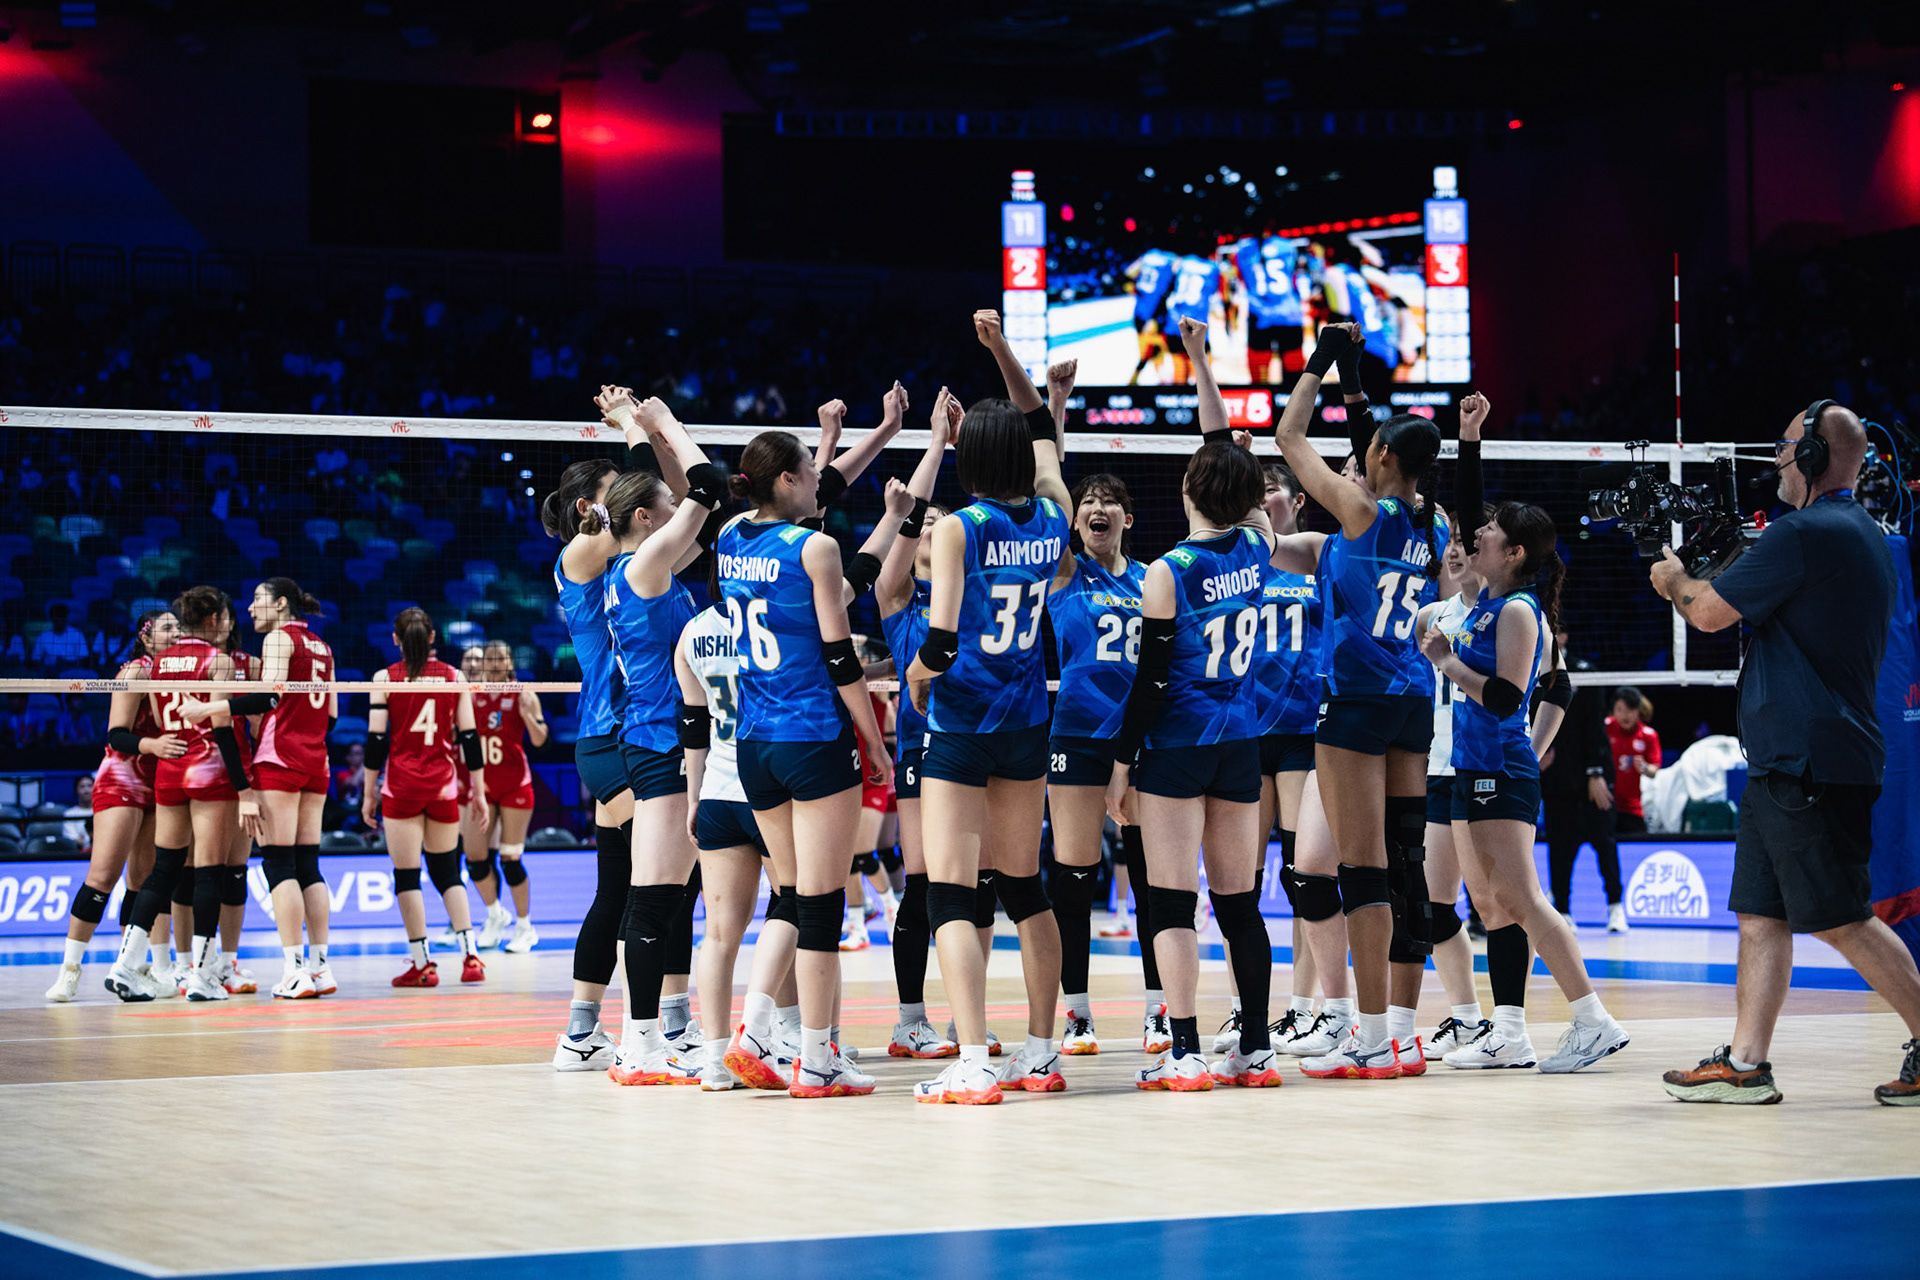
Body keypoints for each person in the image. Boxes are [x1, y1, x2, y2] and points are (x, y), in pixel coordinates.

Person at [1654, 400, 1920, 1106]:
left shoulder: (1807, 534)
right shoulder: (1853, 531)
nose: (1775, 457)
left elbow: (1708, 612)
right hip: (1791, 759)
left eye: (1786, 446)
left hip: (1811, 760)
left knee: (1842, 917)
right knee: (1762, 915)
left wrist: (1674, 579)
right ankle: (1746, 1063)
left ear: (1810, 458)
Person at [1104, 319, 1281, 1092]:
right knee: (1240, 904)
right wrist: (1206, 361)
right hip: (1240, 744)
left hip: (1175, 748)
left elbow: (1149, 683)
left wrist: (1119, 766)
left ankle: (1184, 1052)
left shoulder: (1167, 570)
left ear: (1185, 492)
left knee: (1172, 902)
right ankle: (1260, 1047)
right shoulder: (1261, 546)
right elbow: (1230, 460)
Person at [903, 310, 1070, 1106]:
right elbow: (1039, 425)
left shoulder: (962, 529)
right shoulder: (1055, 517)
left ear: (969, 456)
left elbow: (940, 641)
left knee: (952, 893)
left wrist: (914, 672)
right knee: (1026, 887)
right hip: (1028, 720)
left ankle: (973, 1058)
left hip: (965, 722)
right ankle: (1042, 1051)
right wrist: (1001, 349)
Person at [1272, 322, 1447, 1079]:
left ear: (1379, 459)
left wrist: (1317, 361)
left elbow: (1287, 436)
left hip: (1355, 705)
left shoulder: (1360, 513)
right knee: (1407, 864)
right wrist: (1352, 371)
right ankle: (1400, 1033)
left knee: (1364, 872)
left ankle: (1369, 1035)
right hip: (1413, 699)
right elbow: (1374, 440)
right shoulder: (1434, 524)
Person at [715, 413, 895, 1099]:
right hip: (815, 736)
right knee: (820, 908)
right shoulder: (815, 553)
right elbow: (840, 653)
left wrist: (862, 434)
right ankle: (816, 1059)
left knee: (789, 896)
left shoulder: (730, 537)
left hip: (755, 742)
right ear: (788, 480)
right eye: (812, 473)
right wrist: (873, 738)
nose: (822, 483)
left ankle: (756, 1028)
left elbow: (808, 507)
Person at [1424, 504, 1627, 1072]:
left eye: (1489, 531)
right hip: (1471, 766)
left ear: (1513, 553)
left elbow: (1508, 698)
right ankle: (1509, 1032)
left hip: (1499, 767)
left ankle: (1593, 1021)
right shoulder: (1487, 605)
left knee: (1524, 899)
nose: (1477, 535)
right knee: (1498, 905)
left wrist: (1445, 661)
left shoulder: (1517, 610)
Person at [600, 399, 725, 1087]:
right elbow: (707, 490)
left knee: (670, 895)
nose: (676, 510)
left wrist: (639, 436)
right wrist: (663, 424)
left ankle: (650, 1036)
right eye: (662, 507)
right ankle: (637, 1041)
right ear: (645, 521)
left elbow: (694, 499)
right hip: (659, 747)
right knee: (652, 898)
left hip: (664, 742)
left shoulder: (647, 571)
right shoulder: (644, 570)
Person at [1042, 359, 1154, 1058]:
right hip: (1078, 736)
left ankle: (1157, 1009)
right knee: (1073, 879)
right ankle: (1077, 1012)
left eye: (1109, 501)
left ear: (1127, 519)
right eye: (1088, 502)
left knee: (1150, 878)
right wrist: (1055, 405)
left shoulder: (1153, 578)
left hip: (1142, 743)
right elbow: (1048, 492)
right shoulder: (1062, 570)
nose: (1096, 507)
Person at [180, 578, 338, 998]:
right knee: (308, 865)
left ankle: (293, 971)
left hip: (281, 759)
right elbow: (334, 715)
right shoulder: (323, 647)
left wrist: (208, 707)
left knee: (280, 866)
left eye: (258, 600)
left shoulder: (279, 640)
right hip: (316, 760)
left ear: (282, 604)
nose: (251, 609)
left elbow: (268, 698)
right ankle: (321, 968)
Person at [105, 586, 264, 1003]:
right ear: (213, 620)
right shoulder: (220, 660)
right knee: (209, 872)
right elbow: (222, 727)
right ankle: (203, 975)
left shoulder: (155, 663)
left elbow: (159, 719)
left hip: (170, 768)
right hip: (210, 768)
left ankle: (124, 966)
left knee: (164, 871)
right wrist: (244, 788)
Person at [873, 389, 960, 1060]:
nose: (935, 527)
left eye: (941, 521)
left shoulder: (973, 588)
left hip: (982, 743)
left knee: (976, 883)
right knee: (925, 884)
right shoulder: (901, 598)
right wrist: (937, 447)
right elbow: (898, 547)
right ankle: (910, 1018)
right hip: (923, 752)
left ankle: (966, 1015)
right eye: (928, 524)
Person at [543, 446, 631, 1072]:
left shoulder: (623, 559)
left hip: (628, 733)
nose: (629, 498)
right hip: (615, 735)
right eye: (616, 491)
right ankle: (660, 1027)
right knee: (666, 884)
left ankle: (581, 1030)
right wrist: (640, 428)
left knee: (618, 887)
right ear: (587, 507)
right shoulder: (580, 554)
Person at [46, 611, 185, 1002]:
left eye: (179, 628)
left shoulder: (180, 674)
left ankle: (134, 969)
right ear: (146, 636)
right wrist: (153, 745)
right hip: (123, 775)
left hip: (160, 779)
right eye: (168, 628)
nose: (176, 634)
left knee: (142, 883)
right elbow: (117, 734)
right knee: (103, 876)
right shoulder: (135, 673)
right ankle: (69, 972)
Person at [364, 607, 489, 988]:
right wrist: (479, 791)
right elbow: (470, 739)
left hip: (401, 787)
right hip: (442, 786)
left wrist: (369, 792)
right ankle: (471, 957)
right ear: (433, 637)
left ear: (396, 640)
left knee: (407, 876)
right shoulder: (454, 677)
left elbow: (375, 741)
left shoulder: (385, 679)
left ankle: (424, 964)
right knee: (448, 872)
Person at [1541, 627, 1625, 933]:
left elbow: (1595, 729)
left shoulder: (1586, 673)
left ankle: (1616, 907)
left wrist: (1595, 773)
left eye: (1555, 631)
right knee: (1560, 847)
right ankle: (1562, 909)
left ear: (1564, 637)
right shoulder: (1529, 671)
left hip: (1591, 777)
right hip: (1554, 778)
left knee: (1605, 842)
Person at [471, 639, 548, 954]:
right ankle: (494, 916)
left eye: (500, 658)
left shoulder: (523, 692)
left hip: (515, 785)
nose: (493, 663)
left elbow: (540, 739)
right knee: (476, 859)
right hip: (483, 788)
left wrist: (528, 715)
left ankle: (525, 926)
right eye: (489, 658)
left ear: (509, 662)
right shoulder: (471, 695)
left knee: (510, 859)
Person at [1605, 686, 1661, 837]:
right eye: (1620, 709)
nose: (1625, 715)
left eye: (1630, 710)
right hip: (1605, 804)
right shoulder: (1604, 728)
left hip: (1632, 808)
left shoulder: (1648, 735)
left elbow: (1654, 771)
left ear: (1638, 710)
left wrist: (1644, 768)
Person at [32, 602, 91, 670]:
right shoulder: (43, 636)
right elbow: (35, 660)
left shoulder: (77, 634)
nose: (59, 621)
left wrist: (65, 664)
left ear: (66, 618)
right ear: (52, 619)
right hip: (50, 673)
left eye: (62, 618)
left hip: (72, 671)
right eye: (57, 618)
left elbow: (83, 660)